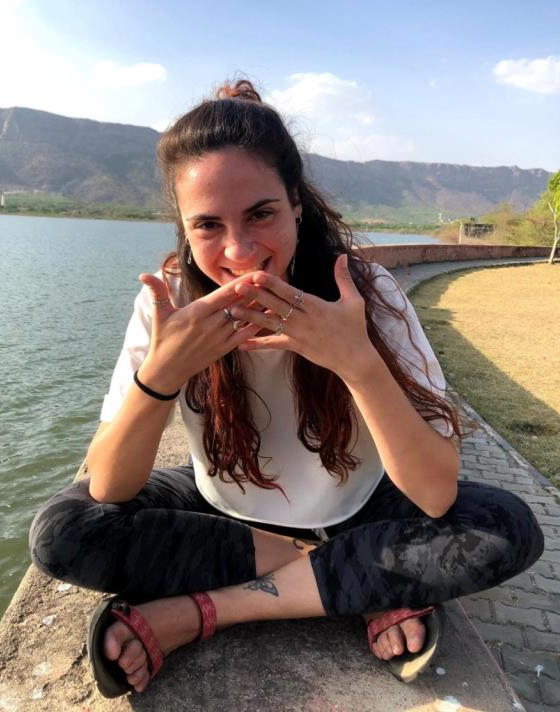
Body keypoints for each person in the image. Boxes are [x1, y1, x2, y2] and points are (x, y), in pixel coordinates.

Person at [29, 78, 544, 698]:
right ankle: (349, 583)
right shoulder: (169, 305)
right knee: (63, 532)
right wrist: (160, 375)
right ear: (184, 229)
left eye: (261, 214)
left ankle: (199, 613)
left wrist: (357, 363)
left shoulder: (367, 294)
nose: (240, 251)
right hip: (225, 514)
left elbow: (434, 494)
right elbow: (111, 485)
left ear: (296, 204)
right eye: (208, 226)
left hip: (359, 508)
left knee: (508, 525)